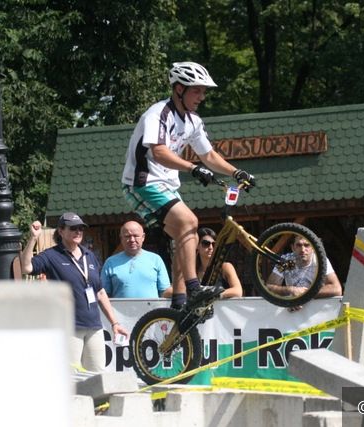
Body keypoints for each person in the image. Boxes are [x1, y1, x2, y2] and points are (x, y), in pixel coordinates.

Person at [121, 61, 256, 310]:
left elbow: (209, 155)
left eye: (203, 91)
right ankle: (195, 290)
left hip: (166, 185)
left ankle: (180, 303)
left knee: (186, 240)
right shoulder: (158, 114)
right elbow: (159, 152)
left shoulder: (193, 121)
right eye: (197, 91)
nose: (202, 97)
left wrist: (236, 172)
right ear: (179, 89)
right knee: (190, 222)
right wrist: (192, 168)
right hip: (142, 182)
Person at [19, 212, 128, 372]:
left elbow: (100, 292)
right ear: (61, 231)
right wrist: (33, 238)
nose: (78, 232)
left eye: (81, 228)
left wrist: (115, 323)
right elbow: (26, 267)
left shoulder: (89, 255)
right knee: (71, 377)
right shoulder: (51, 255)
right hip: (69, 327)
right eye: (73, 228)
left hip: (94, 327)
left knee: (98, 376)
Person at [266, 235, 343, 310]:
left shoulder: (320, 260)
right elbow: (269, 287)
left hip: (315, 308)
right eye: (299, 245)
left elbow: (336, 289)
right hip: (293, 309)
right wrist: (291, 290)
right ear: (293, 248)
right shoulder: (286, 261)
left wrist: (303, 294)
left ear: (313, 248)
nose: (303, 249)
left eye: (307, 245)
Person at [101, 220, 172, 298]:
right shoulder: (110, 262)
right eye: (127, 236)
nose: (132, 240)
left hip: (151, 306)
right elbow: (104, 294)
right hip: (120, 306)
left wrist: (179, 290)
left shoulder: (156, 260)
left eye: (136, 236)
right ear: (121, 238)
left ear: (143, 237)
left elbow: (164, 292)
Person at [195, 227, 243, 298]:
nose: (211, 247)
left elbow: (238, 291)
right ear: (197, 246)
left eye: (214, 244)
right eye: (206, 243)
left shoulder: (225, 267)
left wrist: (212, 295)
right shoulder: (192, 271)